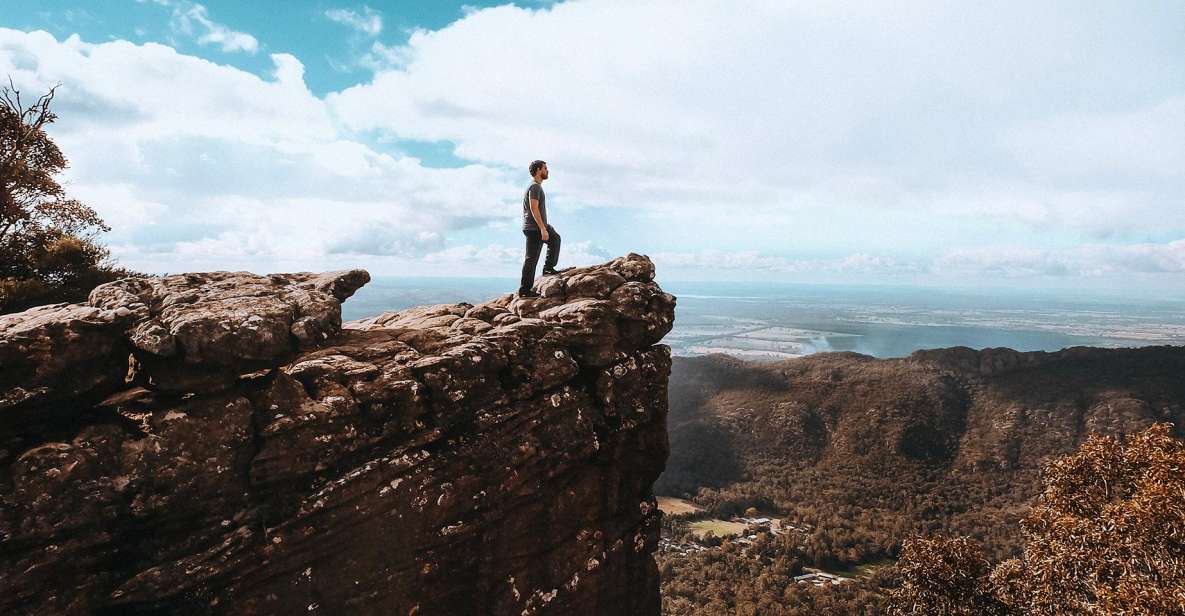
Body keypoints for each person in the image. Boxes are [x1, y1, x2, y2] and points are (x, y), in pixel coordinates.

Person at [517, 159, 566, 297]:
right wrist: (542, 229)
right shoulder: (535, 187)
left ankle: (548, 269)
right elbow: (534, 208)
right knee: (531, 259)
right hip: (535, 228)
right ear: (538, 170)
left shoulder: (535, 186)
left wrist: (544, 227)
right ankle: (525, 290)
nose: (547, 170)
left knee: (555, 239)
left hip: (535, 227)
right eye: (545, 168)